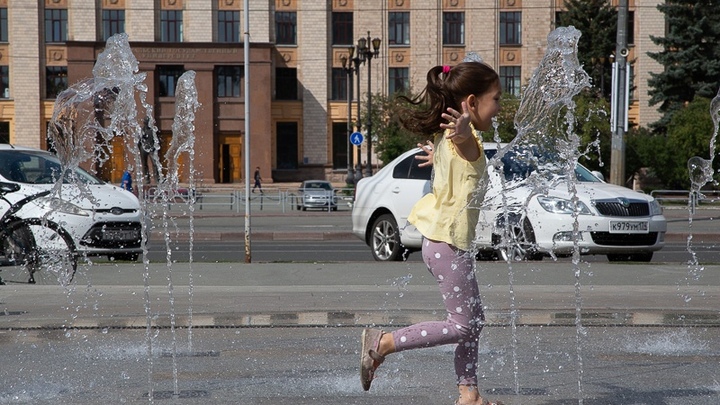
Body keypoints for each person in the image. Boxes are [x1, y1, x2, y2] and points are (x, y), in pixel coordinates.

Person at [359, 61, 503, 405]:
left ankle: (469, 394)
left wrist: (438, 153)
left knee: (473, 321)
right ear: (471, 102)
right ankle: (383, 343)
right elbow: (466, 147)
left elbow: (456, 158)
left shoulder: (447, 138)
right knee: (463, 325)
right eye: (495, 99)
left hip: (446, 242)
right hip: (447, 243)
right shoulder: (464, 138)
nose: (500, 107)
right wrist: (465, 132)